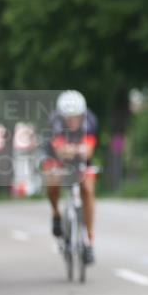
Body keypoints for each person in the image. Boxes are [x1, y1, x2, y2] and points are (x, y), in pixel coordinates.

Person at [43, 90, 98, 264]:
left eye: (76, 117)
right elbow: (60, 152)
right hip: (55, 158)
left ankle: (88, 241)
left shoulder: (90, 120)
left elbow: (88, 152)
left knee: (88, 190)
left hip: (81, 160)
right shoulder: (55, 122)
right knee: (52, 181)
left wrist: (73, 150)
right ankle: (56, 213)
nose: (72, 121)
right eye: (68, 117)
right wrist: (73, 150)